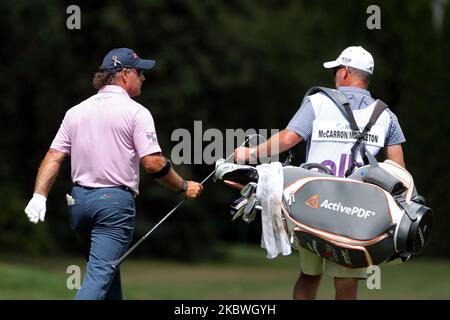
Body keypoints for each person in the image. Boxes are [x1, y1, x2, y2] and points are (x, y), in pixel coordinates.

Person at [24, 48, 203, 300]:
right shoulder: (136, 112)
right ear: (125, 74)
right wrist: (183, 186)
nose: (143, 78)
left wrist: (39, 195)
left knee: (107, 273)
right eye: (140, 72)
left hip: (78, 204)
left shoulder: (75, 111)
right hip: (113, 206)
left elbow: (54, 156)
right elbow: (152, 163)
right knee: (99, 276)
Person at [234, 46, 406, 300]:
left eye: (337, 69)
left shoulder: (319, 102)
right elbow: (398, 170)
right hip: (356, 213)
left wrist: (250, 154)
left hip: (313, 204)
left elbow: (289, 138)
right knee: (347, 282)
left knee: (309, 276)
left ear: (346, 72)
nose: (335, 74)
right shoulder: (387, 116)